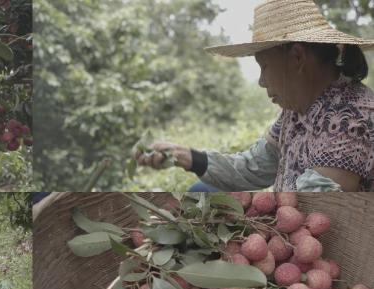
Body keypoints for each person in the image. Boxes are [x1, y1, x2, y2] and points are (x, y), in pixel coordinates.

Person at [134, 0, 374, 192]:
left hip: (333, 244)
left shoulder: (350, 118)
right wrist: (184, 156)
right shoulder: (297, 111)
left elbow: (313, 209)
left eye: (265, 67)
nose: (261, 81)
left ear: (298, 57)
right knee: (201, 190)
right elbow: (253, 167)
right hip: (293, 226)